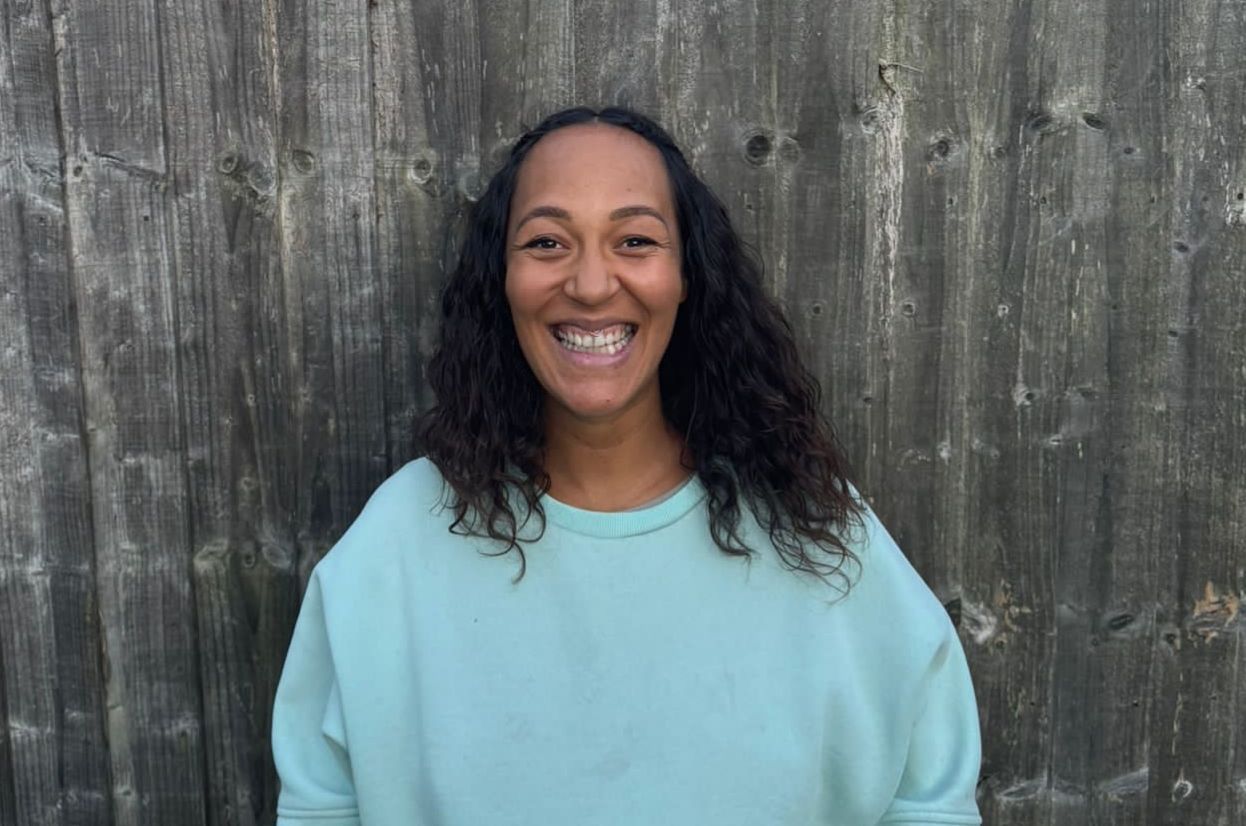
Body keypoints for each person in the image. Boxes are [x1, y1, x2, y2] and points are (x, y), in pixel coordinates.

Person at [271, 106, 982, 825]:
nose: (589, 283)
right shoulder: (395, 547)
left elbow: (929, 802)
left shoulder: (817, 531)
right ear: (501, 280)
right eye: (547, 241)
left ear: (686, 276)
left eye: (635, 240)